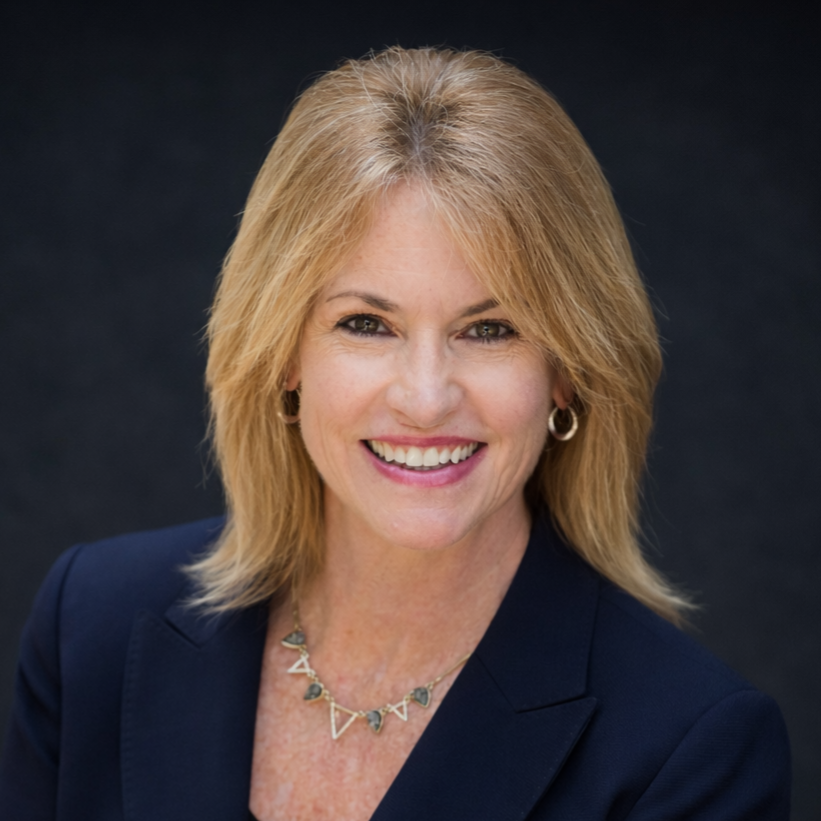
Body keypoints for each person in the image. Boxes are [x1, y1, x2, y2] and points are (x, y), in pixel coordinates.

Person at [0, 47, 790, 821]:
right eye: (365, 323)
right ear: (284, 356)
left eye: (490, 330)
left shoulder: (688, 749)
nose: (423, 396)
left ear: (566, 372)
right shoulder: (93, 626)